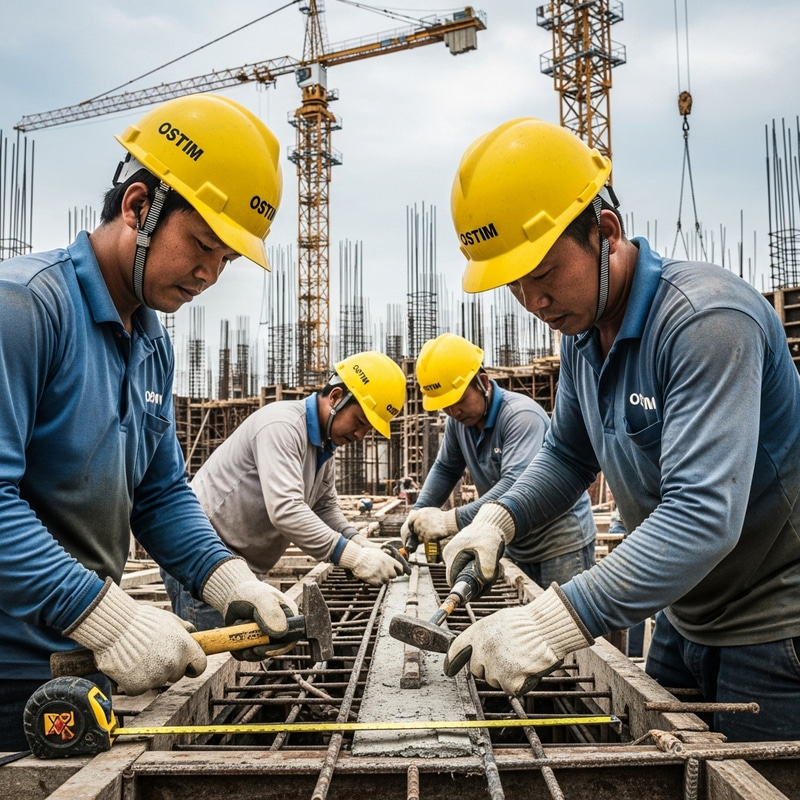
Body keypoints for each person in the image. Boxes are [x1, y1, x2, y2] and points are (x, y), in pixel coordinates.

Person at [439, 117, 800, 742]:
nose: (532, 301)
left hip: (774, 625)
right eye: (513, 283)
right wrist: (498, 519)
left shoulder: (705, 322)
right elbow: (567, 457)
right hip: (684, 612)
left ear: (605, 233)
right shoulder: (583, 338)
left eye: (543, 272)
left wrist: (553, 621)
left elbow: (702, 513)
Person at [0, 93, 299, 751]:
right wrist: (104, 616)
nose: (209, 275)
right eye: (203, 245)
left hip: (76, 668)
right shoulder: (23, 309)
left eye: (227, 260)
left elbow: (159, 494)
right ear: (138, 206)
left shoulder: (152, 344)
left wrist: (228, 579)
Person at [162, 351, 410, 630]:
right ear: (336, 397)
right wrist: (355, 558)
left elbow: (324, 508)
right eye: (361, 421)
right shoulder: (282, 426)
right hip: (206, 557)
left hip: (239, 566)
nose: (360, 435)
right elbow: (286, 510)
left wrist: (361, 544)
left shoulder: (323, 445)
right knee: (216, 653)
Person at [401, 332, 596, 587]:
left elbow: (515, 484)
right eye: (444, 405)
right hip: (514, 542)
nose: (453, 411)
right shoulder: (458, 423)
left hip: (559, 544)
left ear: (483, 382)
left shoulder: (521, 417)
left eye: (458, 400)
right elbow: (446, 468)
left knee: (562, 613)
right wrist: (419, 510)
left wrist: (450, 521)